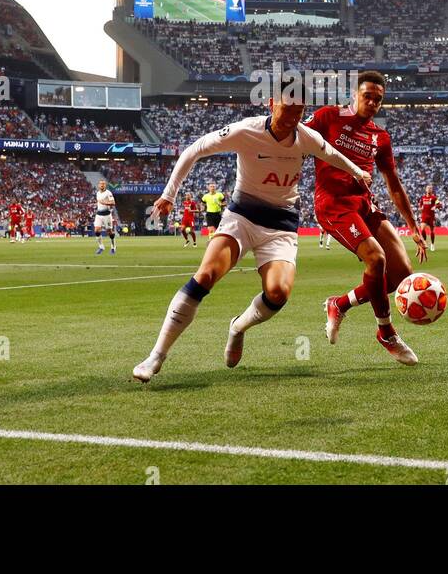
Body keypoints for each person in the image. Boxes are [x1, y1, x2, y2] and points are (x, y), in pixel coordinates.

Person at [132, 99, 371, 383]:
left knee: (278, 293)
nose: (292, 117)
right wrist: (169, 194)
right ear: (272, 104)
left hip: (281, 225)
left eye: (299, 111)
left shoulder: (306, 137)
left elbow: (331, 153)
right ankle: (156, 356)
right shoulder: (246, 130)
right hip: (242, 216)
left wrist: (358, 172)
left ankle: (238, 327)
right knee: (206, 274)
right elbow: (195, 149)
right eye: (287, 108)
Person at [311, 71, 428, 366]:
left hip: (365, 204)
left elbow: (393, 183)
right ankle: (386, 333)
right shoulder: (329, 117)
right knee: (376, 259)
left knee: (402, 274)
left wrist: (413, 227)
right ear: (354, 94)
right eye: (368, 96)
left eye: (378, 99)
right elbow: (297, 138)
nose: (373, 102)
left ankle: (339, 304)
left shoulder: (380, 136)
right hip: (334, 204)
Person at [94, 180, 117, 255]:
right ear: (98, 185)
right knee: (97, 230)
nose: (102, 185)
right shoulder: (97, 193)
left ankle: (113, 247)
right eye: (101, 184)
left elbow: (113, 203)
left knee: (109, 232)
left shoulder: (108, 193)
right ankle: (101, 247)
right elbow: (99, 203)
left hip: (107, 215)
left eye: (103, 184)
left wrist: (104, 202)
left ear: (105, 185)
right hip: (99, 215)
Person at [418, 184, 441, 253]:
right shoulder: (423, 198)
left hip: (431, 216)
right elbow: (420, 205)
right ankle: (425, 242)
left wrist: (435, 207)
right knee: (422, 230)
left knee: (432, 231)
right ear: (426, 190)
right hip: (424, 216)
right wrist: (420, 208)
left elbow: (440, 205)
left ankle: (432, 244)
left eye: (430, 188)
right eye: (428, 188)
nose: (429, 189)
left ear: (432, 190)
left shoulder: (434, 198)